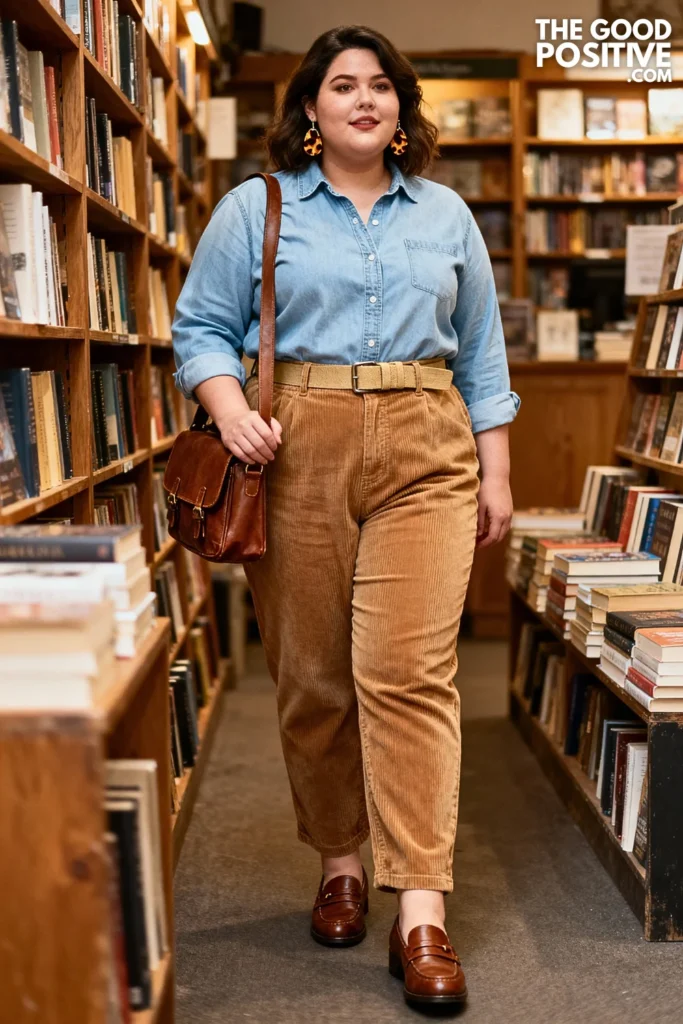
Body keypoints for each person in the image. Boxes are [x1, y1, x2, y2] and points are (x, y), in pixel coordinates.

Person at [172, 24, 520, 1011]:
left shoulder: (446, 214)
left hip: (426, 442)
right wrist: (230, 410)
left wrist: (494, 472)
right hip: (295, 444)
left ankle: (421, 910)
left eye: (380, 85)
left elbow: (481, 355)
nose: (363, 99)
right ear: (310, 110)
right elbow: (200, 327)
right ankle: (338, 861)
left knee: (409, 673)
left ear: (401, 109)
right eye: (340, 85)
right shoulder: (256, 207)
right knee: (315, 676)